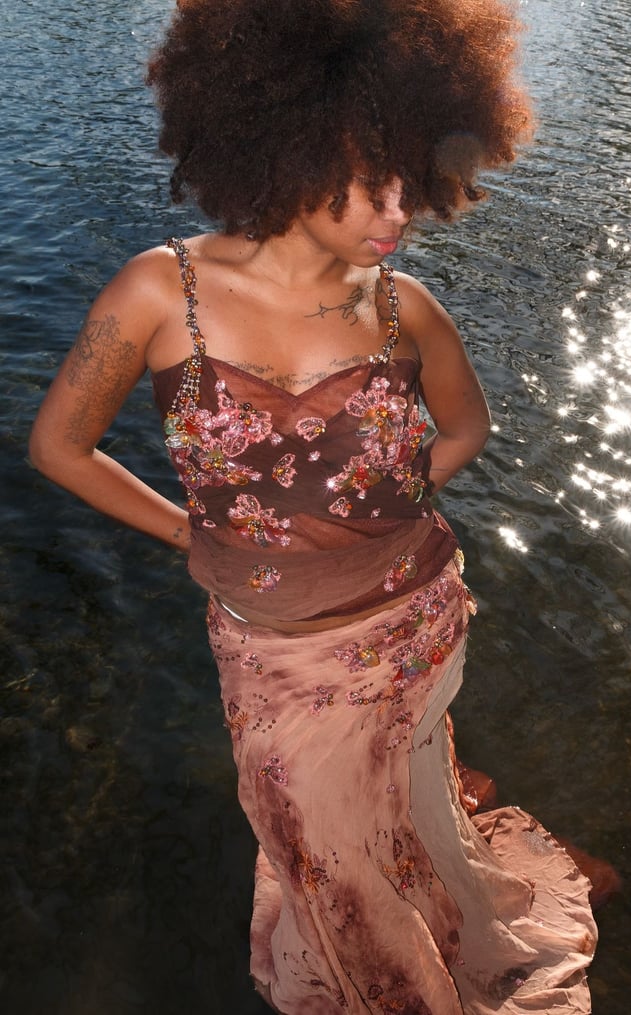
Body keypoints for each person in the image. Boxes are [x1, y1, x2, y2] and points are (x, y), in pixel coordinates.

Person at [29, 0, 598, 1011]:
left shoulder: (404, 308)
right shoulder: (161, 294)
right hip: (275, 654)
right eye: (370, 183)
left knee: (395, 808)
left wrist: (387, 498)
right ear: (286, 146)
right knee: (323, 846)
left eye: (412, 185)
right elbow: (59, 449)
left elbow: (467, 429)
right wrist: (186, 531)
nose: (395, 215)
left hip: (413, 623)